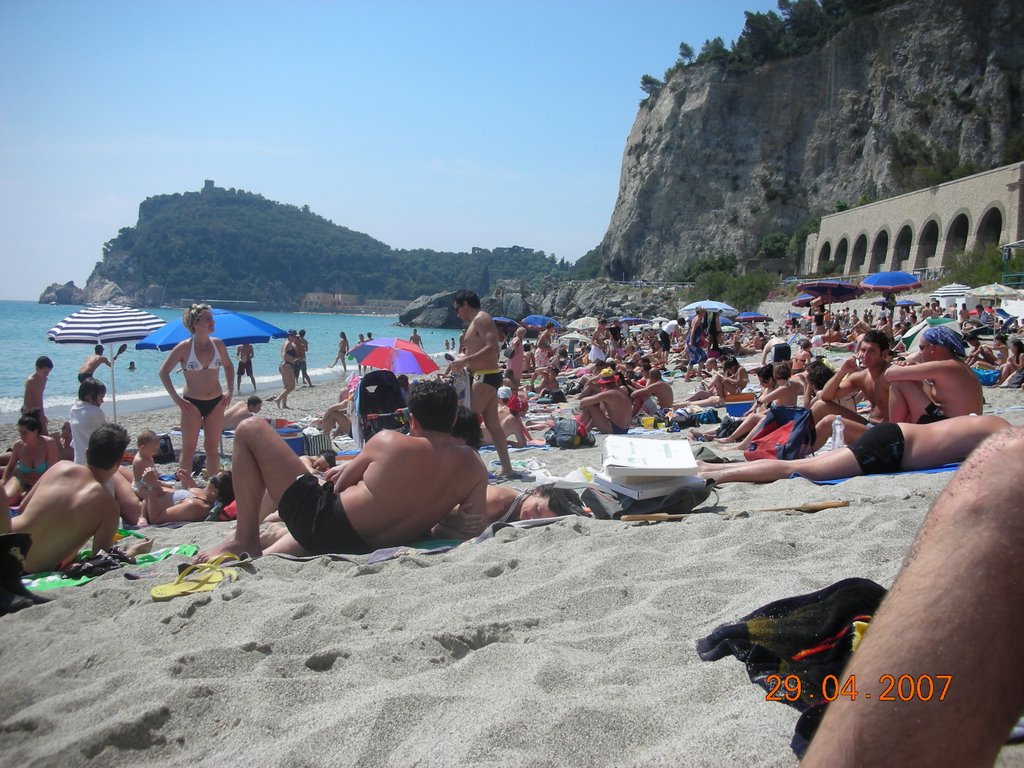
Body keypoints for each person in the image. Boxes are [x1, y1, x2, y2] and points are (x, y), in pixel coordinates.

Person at [801, 425, 1024, 767]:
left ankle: (714, 469)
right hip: (896, 442)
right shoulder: (1000, 434)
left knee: (1005, 474)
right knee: (1006, 473)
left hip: (896, 439)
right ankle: (715, 469)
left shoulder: (999, 435)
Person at [195, 379, 488, 561]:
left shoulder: (389, 441)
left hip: (323, 523)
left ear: (412, 421)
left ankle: (244, 539)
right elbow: (469, 525)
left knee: (249, 429)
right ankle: (264, 544)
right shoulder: (475, 466)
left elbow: (339, 485)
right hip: (363, 544)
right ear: (452, 421)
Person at [698, 414, 1008, 485]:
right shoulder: (1008, 439)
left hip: (893, 433)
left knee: (808, 464)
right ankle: (717, 476)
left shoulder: (995, 422)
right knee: (796, 469)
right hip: (892, 449)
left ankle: (711, 469)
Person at [2, 424, 130, 573]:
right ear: (118, 463)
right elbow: (101, 558)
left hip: (5, 539)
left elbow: (23, 507)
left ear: (87, 453)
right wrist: (132, 552)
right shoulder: (109, 506)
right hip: (25, 568)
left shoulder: (60, 467)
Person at [158, 304, 234, 486]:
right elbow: (164, 372)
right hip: (191, 403)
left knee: (212, 448)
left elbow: (229, 366)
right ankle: (184, 488)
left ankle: (215, 487)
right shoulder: (184, 348)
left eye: (212, 318)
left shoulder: (218, 344)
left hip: (215, 401)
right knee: (189, 448)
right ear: (195, 323)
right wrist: (177, 400)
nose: (212, 322)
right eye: (208, 319)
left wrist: (230, 390)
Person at [448, 289, 515, 478]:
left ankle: (467, 470)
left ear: (465, 304)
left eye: (456, 308)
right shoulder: (474, 322)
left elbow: (493, 349)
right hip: (484, 375)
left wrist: (465, 361)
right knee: (493, 424)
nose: (456, 313)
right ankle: (507, 468)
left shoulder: (481, 318)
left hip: (485, 376)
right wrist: (462, 359)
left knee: (465, 423)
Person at [885, 326, 982, 423]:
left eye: (921, 348)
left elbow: (889, 374)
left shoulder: (944, 366)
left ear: (932, 348)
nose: (920, 353)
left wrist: (904, 361)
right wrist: (909, 365)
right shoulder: (955, 365)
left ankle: (896, 433)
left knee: (898, 384)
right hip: (963, 426)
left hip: (954, 429)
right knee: (914, 382)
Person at [2, 411, 58, 506]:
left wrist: (27, 477)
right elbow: (10, 467)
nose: (21, 436)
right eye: (20, 432)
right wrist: (4, 482)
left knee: (32, 503)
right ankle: (22, 494)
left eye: (25, 433)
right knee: (7, 499)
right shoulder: (18, 445)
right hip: (20, 480)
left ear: (35, 431)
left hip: (42, 482)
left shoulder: (49, 444)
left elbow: (51, 472)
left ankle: (24, 495)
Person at [143, 470, 234, 524]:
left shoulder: (195, 507)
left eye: (213, 478)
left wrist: (151, 487)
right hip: (150, 494)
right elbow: (192, 494)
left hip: (143, 508)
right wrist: (189, 479)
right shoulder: (204, 496)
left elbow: (156, 518)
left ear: (215, 492)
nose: (210, 477)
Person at [579, 368, 632, 435]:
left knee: (589, 407)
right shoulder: (620, 391)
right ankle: (584, 432)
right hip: (624, 429)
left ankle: (577, 431)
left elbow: (582, 403)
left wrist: (600, 395)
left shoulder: (609, 394)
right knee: (596, 412)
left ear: (602, 383)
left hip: (616, 430)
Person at [69, 377, 108, 465]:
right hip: (94, 462)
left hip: (78, 460)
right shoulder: (96, 412)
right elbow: (105, 436)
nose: (103, 401)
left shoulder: (74, 409)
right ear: (89, 397)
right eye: (101, 397)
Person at [22, 356, 52, 436]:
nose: (47, 375)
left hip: (39, 411)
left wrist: (42, 414)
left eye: (49, 372)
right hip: (30, 412)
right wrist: (29, 417)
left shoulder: (44, 379)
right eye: (45, 372)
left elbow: (40, 397)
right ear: (37, 368)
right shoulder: (31, 381)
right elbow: (27, 402)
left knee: (45, 434)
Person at [274, 330, 299, 409]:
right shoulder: (288, 342)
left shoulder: (289, 343)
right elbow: (284, 353)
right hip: (286, 365)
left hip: (285, 365)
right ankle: (278, 399)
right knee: (292, 387)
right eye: (294, 336)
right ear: (290, 336)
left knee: (286, 387)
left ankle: (284, 405)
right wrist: (285, 360)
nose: (295, 337)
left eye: (296, 336)